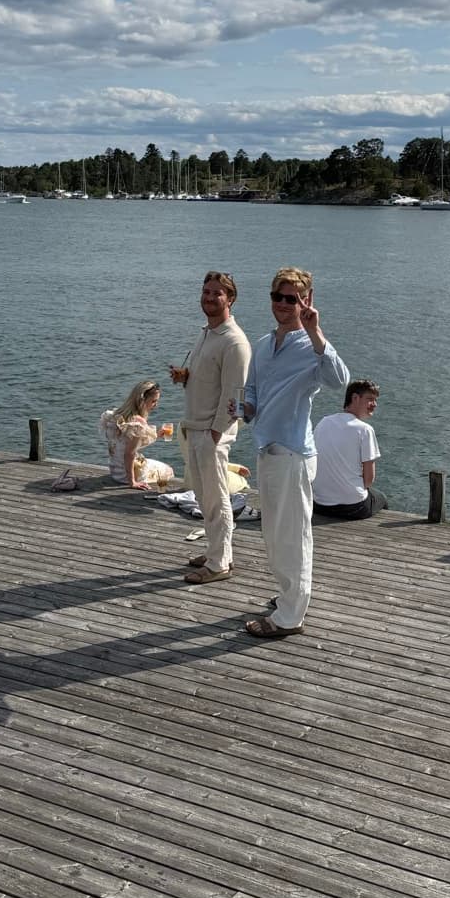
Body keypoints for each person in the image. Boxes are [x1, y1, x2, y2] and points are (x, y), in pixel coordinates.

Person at [239, 267, 349, 638]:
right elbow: (252, 390)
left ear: (306, 301)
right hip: (267, 449)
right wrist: (245, 409)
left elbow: (339, 380)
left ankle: (290, 617)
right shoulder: (263, 344)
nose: (284, 304)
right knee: (274, 534)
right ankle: (289, 597)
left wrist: (316, 331)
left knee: (293, 538)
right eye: (278, 297)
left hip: (293, 455)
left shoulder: (311, 347)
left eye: (293, 298)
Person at [170, 271, 251, 584]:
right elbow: (210, 379)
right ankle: (218, 551)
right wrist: (186, 377)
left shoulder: (234, 342)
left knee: (216, 500)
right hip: (196, 428)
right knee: (204, 498)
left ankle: (219, 564)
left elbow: (237, 395)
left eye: (217, 293)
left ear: (231, 299)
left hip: (211, 433)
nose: (209, 297)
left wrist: (216, 433)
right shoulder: (207, 333)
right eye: (206, 291)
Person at [312, 380, 385, 519]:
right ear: (355, 398)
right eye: (370, 399)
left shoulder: (323, 422)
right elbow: (369, 480)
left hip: (320, 504)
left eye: (375, 400)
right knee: (381, 498)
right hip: (353, 508)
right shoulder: (365, 430)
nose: (375, 404)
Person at [99, 379, 174, 490]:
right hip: (128, 475)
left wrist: (156, 435)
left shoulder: (116, 415)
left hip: (116, 471)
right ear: (142, 401)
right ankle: (161, 492)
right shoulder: (138, 423)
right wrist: (132, 482)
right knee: (168, 470)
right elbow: (129, 453)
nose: (156, 405)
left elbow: (126, 445)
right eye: (153, 401)